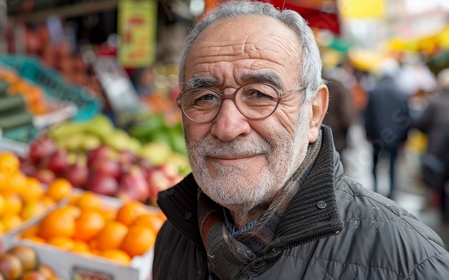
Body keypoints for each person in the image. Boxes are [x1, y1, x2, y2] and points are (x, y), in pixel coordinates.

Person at [152, 2, 449, 279]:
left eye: (259, 94)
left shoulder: (410, 264)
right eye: (204, 97)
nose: (227, 127)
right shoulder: (173, 237)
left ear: (314, 113)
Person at [363, 59, 411, 199]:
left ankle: (376, 190)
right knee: (392, 164)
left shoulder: (374, 91)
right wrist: (404, 138)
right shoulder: (402, 93)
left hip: (377, 135)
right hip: (395, 137)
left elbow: (368, 115)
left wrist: (368, 133)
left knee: (375, 164)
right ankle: (391, 193)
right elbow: (406, 117)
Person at [413, 68, 449, 222]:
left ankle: (442, 212)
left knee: (439, 179)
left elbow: (420, 123)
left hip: (436, 147)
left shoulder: (434, 102)